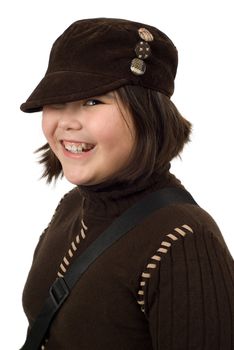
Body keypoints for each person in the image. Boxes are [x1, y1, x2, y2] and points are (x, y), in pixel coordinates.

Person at [20, 18, 234, 350]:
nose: (67, 122)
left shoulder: (185, 239)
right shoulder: (73, 206)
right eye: (57, 101)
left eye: (93, 102)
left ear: (146, 113)